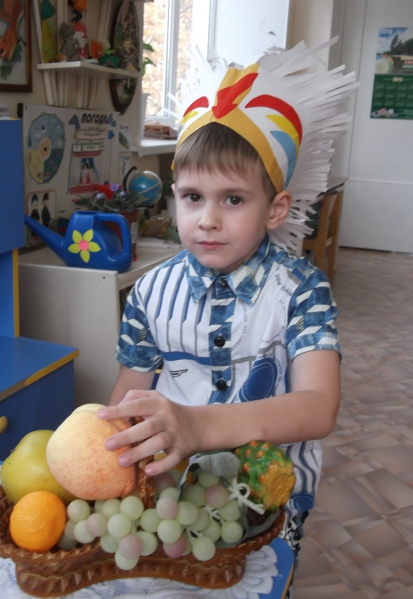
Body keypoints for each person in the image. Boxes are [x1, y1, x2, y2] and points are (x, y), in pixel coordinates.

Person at [98, 38, 356, 591]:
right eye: (193, 197)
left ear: (276, 208)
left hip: (268, 506)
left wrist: (200, 426)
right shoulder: (148, 293)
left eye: (233, 199)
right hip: (173, 497)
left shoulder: (303, 290)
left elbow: (318, 407)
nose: (208, 219)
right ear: (174, 196)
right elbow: (128, 397)